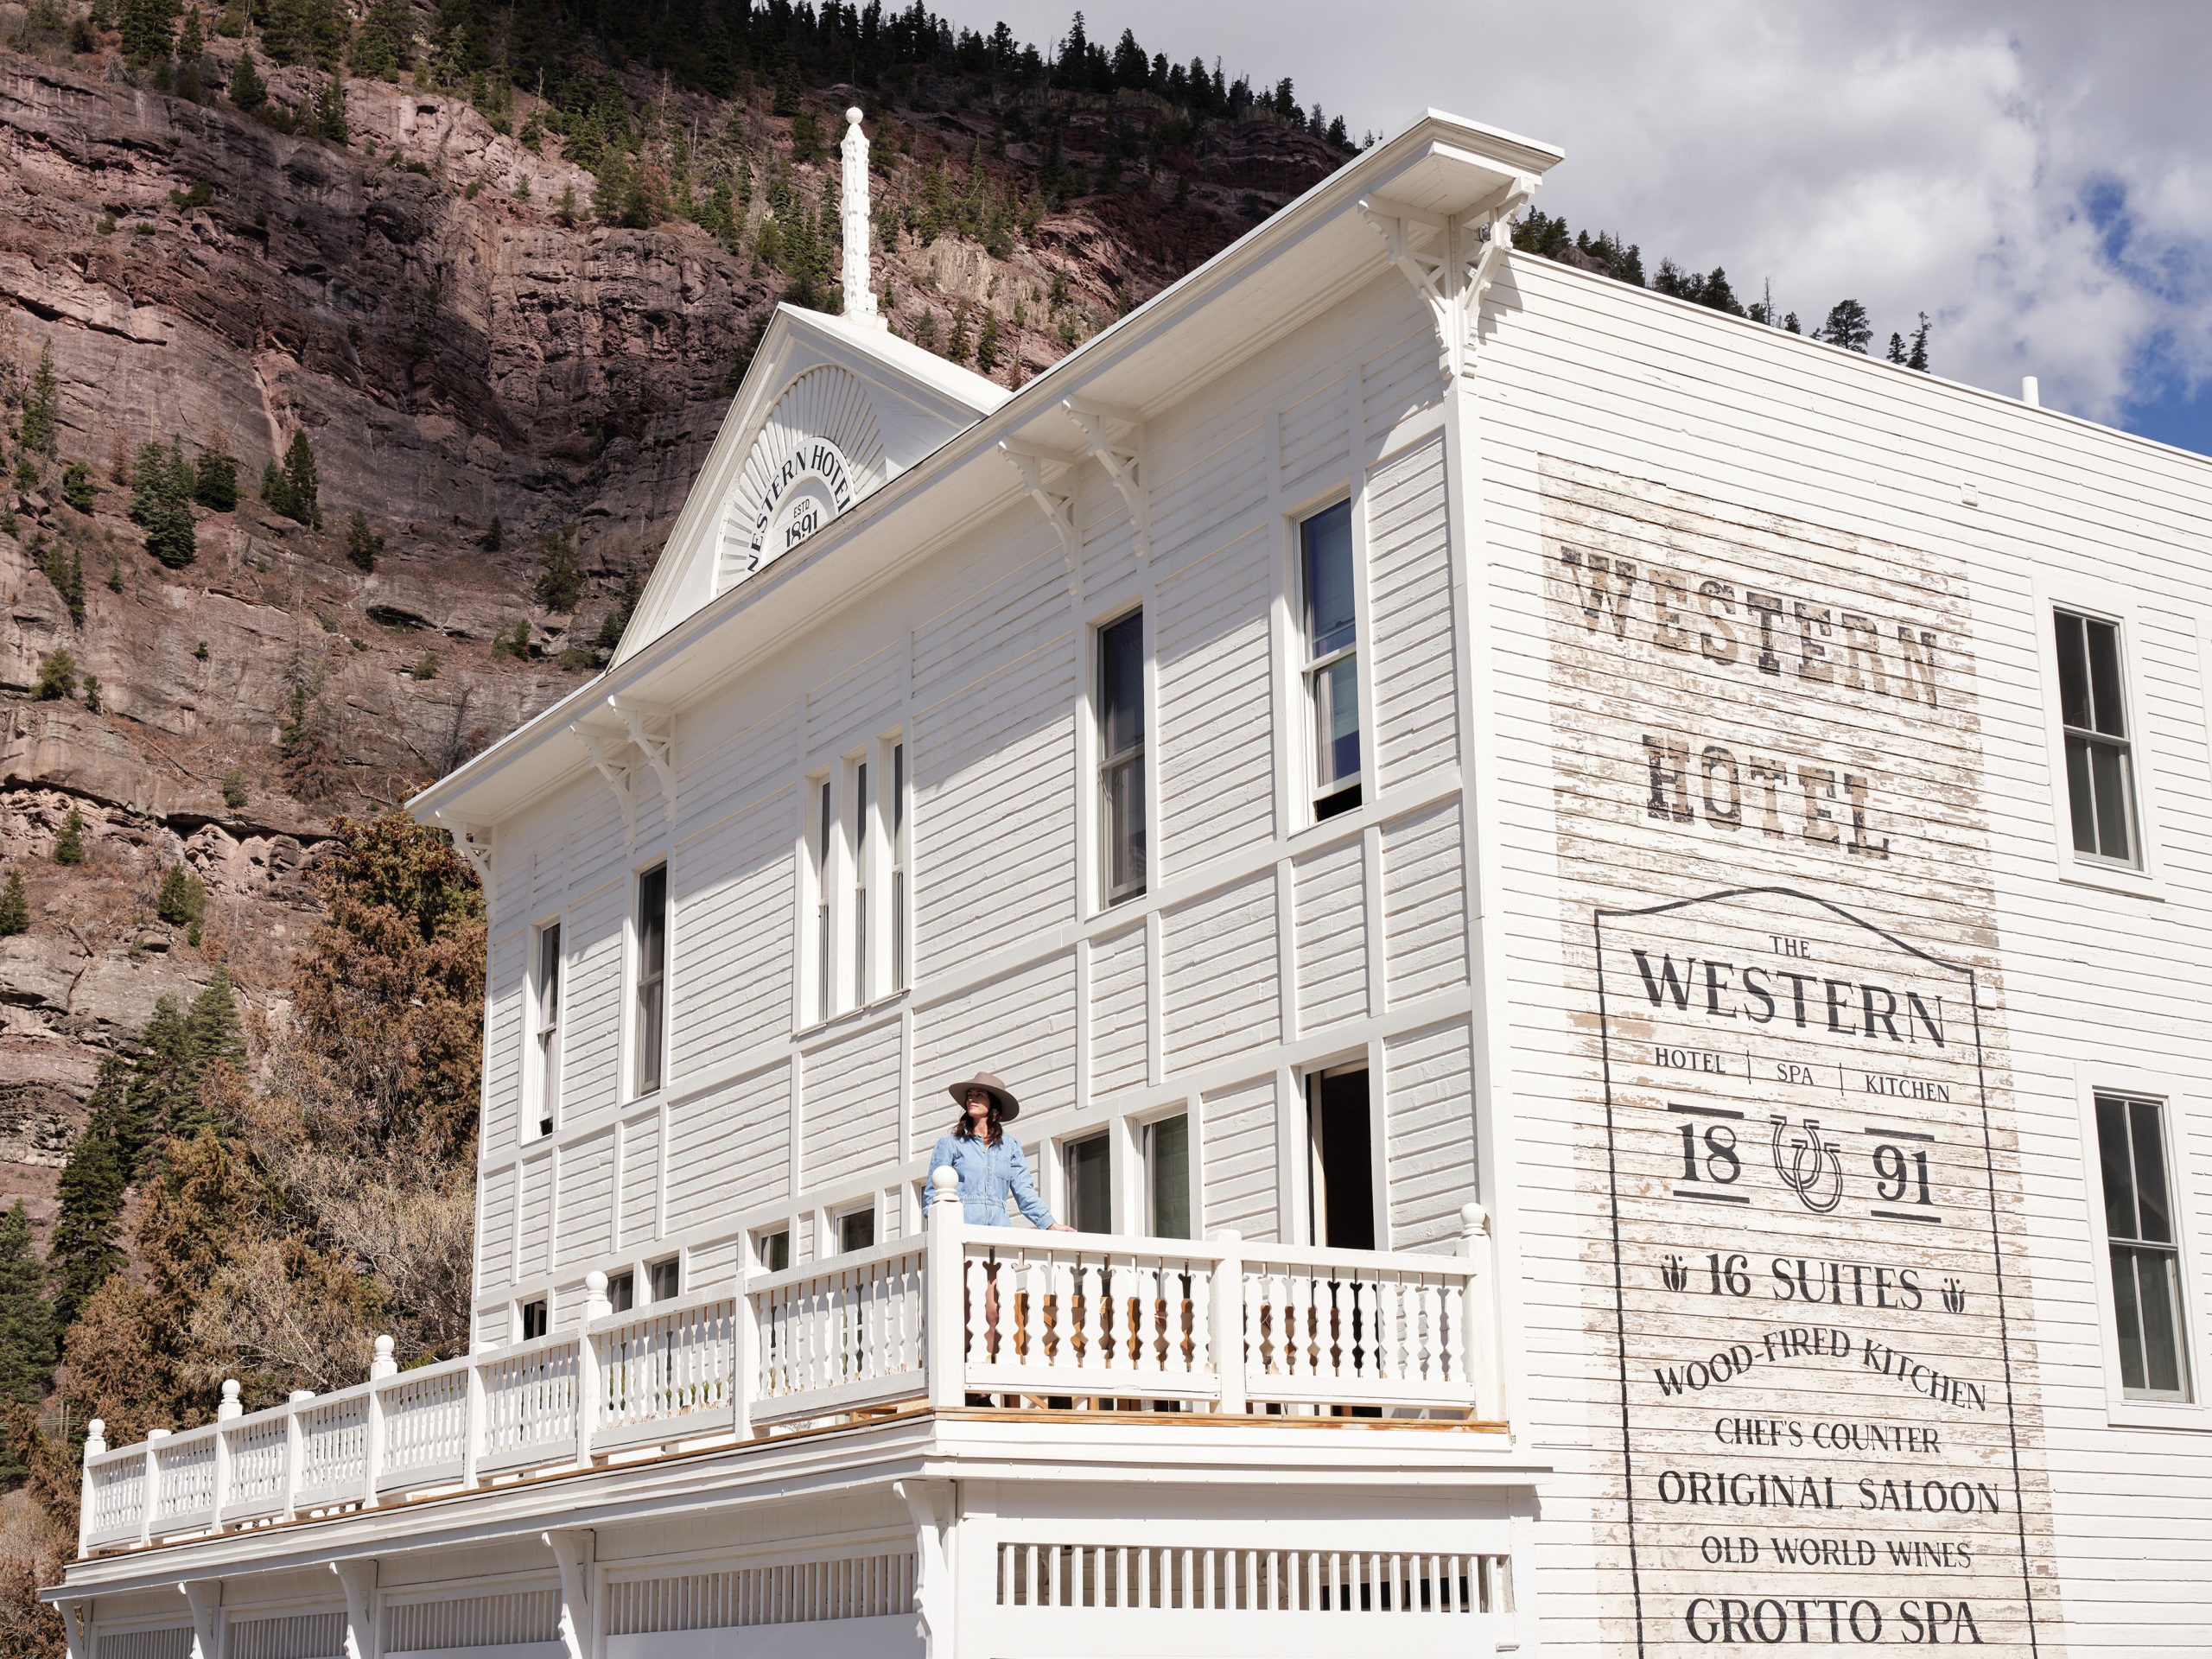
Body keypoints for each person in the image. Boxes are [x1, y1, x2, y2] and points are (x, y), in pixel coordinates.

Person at [927, 1072, 1074, 1232]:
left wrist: (1050, 1224)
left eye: (979, 1095)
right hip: (961, 1233)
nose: (971, 1099)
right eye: (969, 1095)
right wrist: (943, 1230)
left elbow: (1024, 1191)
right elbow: (931, 1196)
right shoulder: (951, 1145)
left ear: (993, 1103)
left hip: (999, 1235)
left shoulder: (1010, 1147)